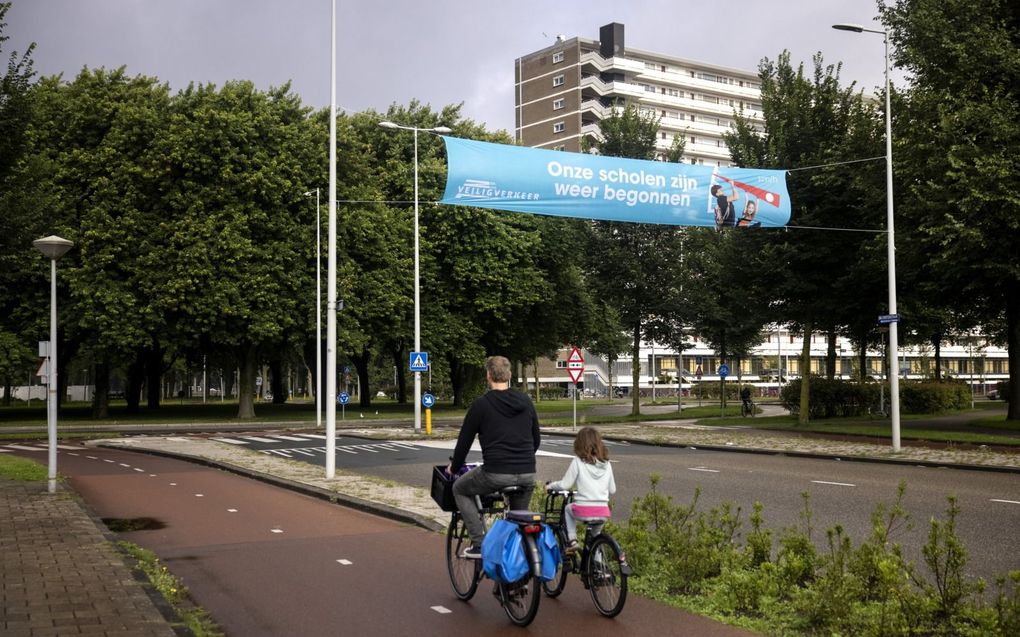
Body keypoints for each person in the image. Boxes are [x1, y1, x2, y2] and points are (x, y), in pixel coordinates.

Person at [447, 355, 541, 559]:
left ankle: (479, 544)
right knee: (518, 524)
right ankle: (516, 579)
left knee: (459, 489)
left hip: (496, 472)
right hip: (527, 474)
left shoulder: (481, 405)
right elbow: (536, 439)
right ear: (509, 375)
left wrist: (454, 468)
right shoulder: (525, 401)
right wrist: (520, 459)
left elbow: (464, 442)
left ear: (488, 375)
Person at [545, 427, 616, 553]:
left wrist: (550, 486)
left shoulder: (578, 461)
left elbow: (565, 485)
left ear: (579, 444)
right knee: (595, 540)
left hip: (584, 509)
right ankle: (598, 567)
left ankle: (572, 541)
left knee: (567, 509)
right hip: (603, 511)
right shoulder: (607, 463)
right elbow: (612, 489)